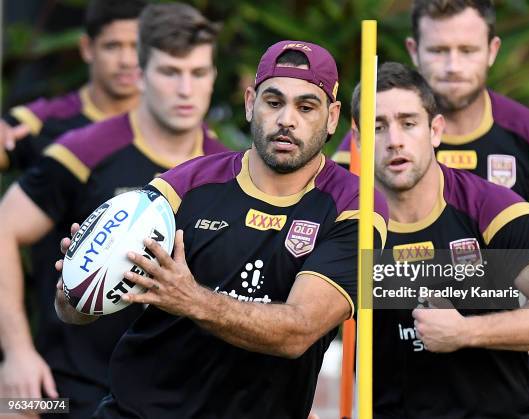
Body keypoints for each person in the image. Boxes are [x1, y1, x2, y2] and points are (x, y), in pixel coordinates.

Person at [55, 39, 388, 418]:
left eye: (306, 106)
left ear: (332, 117)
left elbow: (299, 331)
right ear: (250, 103)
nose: (286, 120)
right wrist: (77, 285)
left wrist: (191, 298)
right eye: (273, 102)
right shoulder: (186, 184)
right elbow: (72, 311)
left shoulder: (353, 206)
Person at [0, 4, 227, 417]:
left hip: (175, 399)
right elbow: (4, 227)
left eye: (198, 74)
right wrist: (16, 352)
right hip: (67, 393)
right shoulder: (84, 148)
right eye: (169, 73)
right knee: (9, 405)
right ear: (140, 74)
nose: (185, 90)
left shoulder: (227, 171)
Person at [351, 62, 529, 418]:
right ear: (358, 140)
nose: (394, 141)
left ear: (435, 130)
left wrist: (465, 331)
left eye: (408, 123)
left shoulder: (491, 210)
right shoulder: (348, 225)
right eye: (378, 127)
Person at [335, 0, 529, 291]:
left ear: (492, 50)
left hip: (502, 328)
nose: (453, 67)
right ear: (414, 51)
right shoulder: (363, 146)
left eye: (467, 50)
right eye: (438, 51)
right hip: (392, 319)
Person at [0, 0, 147, 172]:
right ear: (87, 48)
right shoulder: (38, 121)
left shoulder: (175, 120)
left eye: (137, 47)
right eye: (112, 46)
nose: (126, 61)